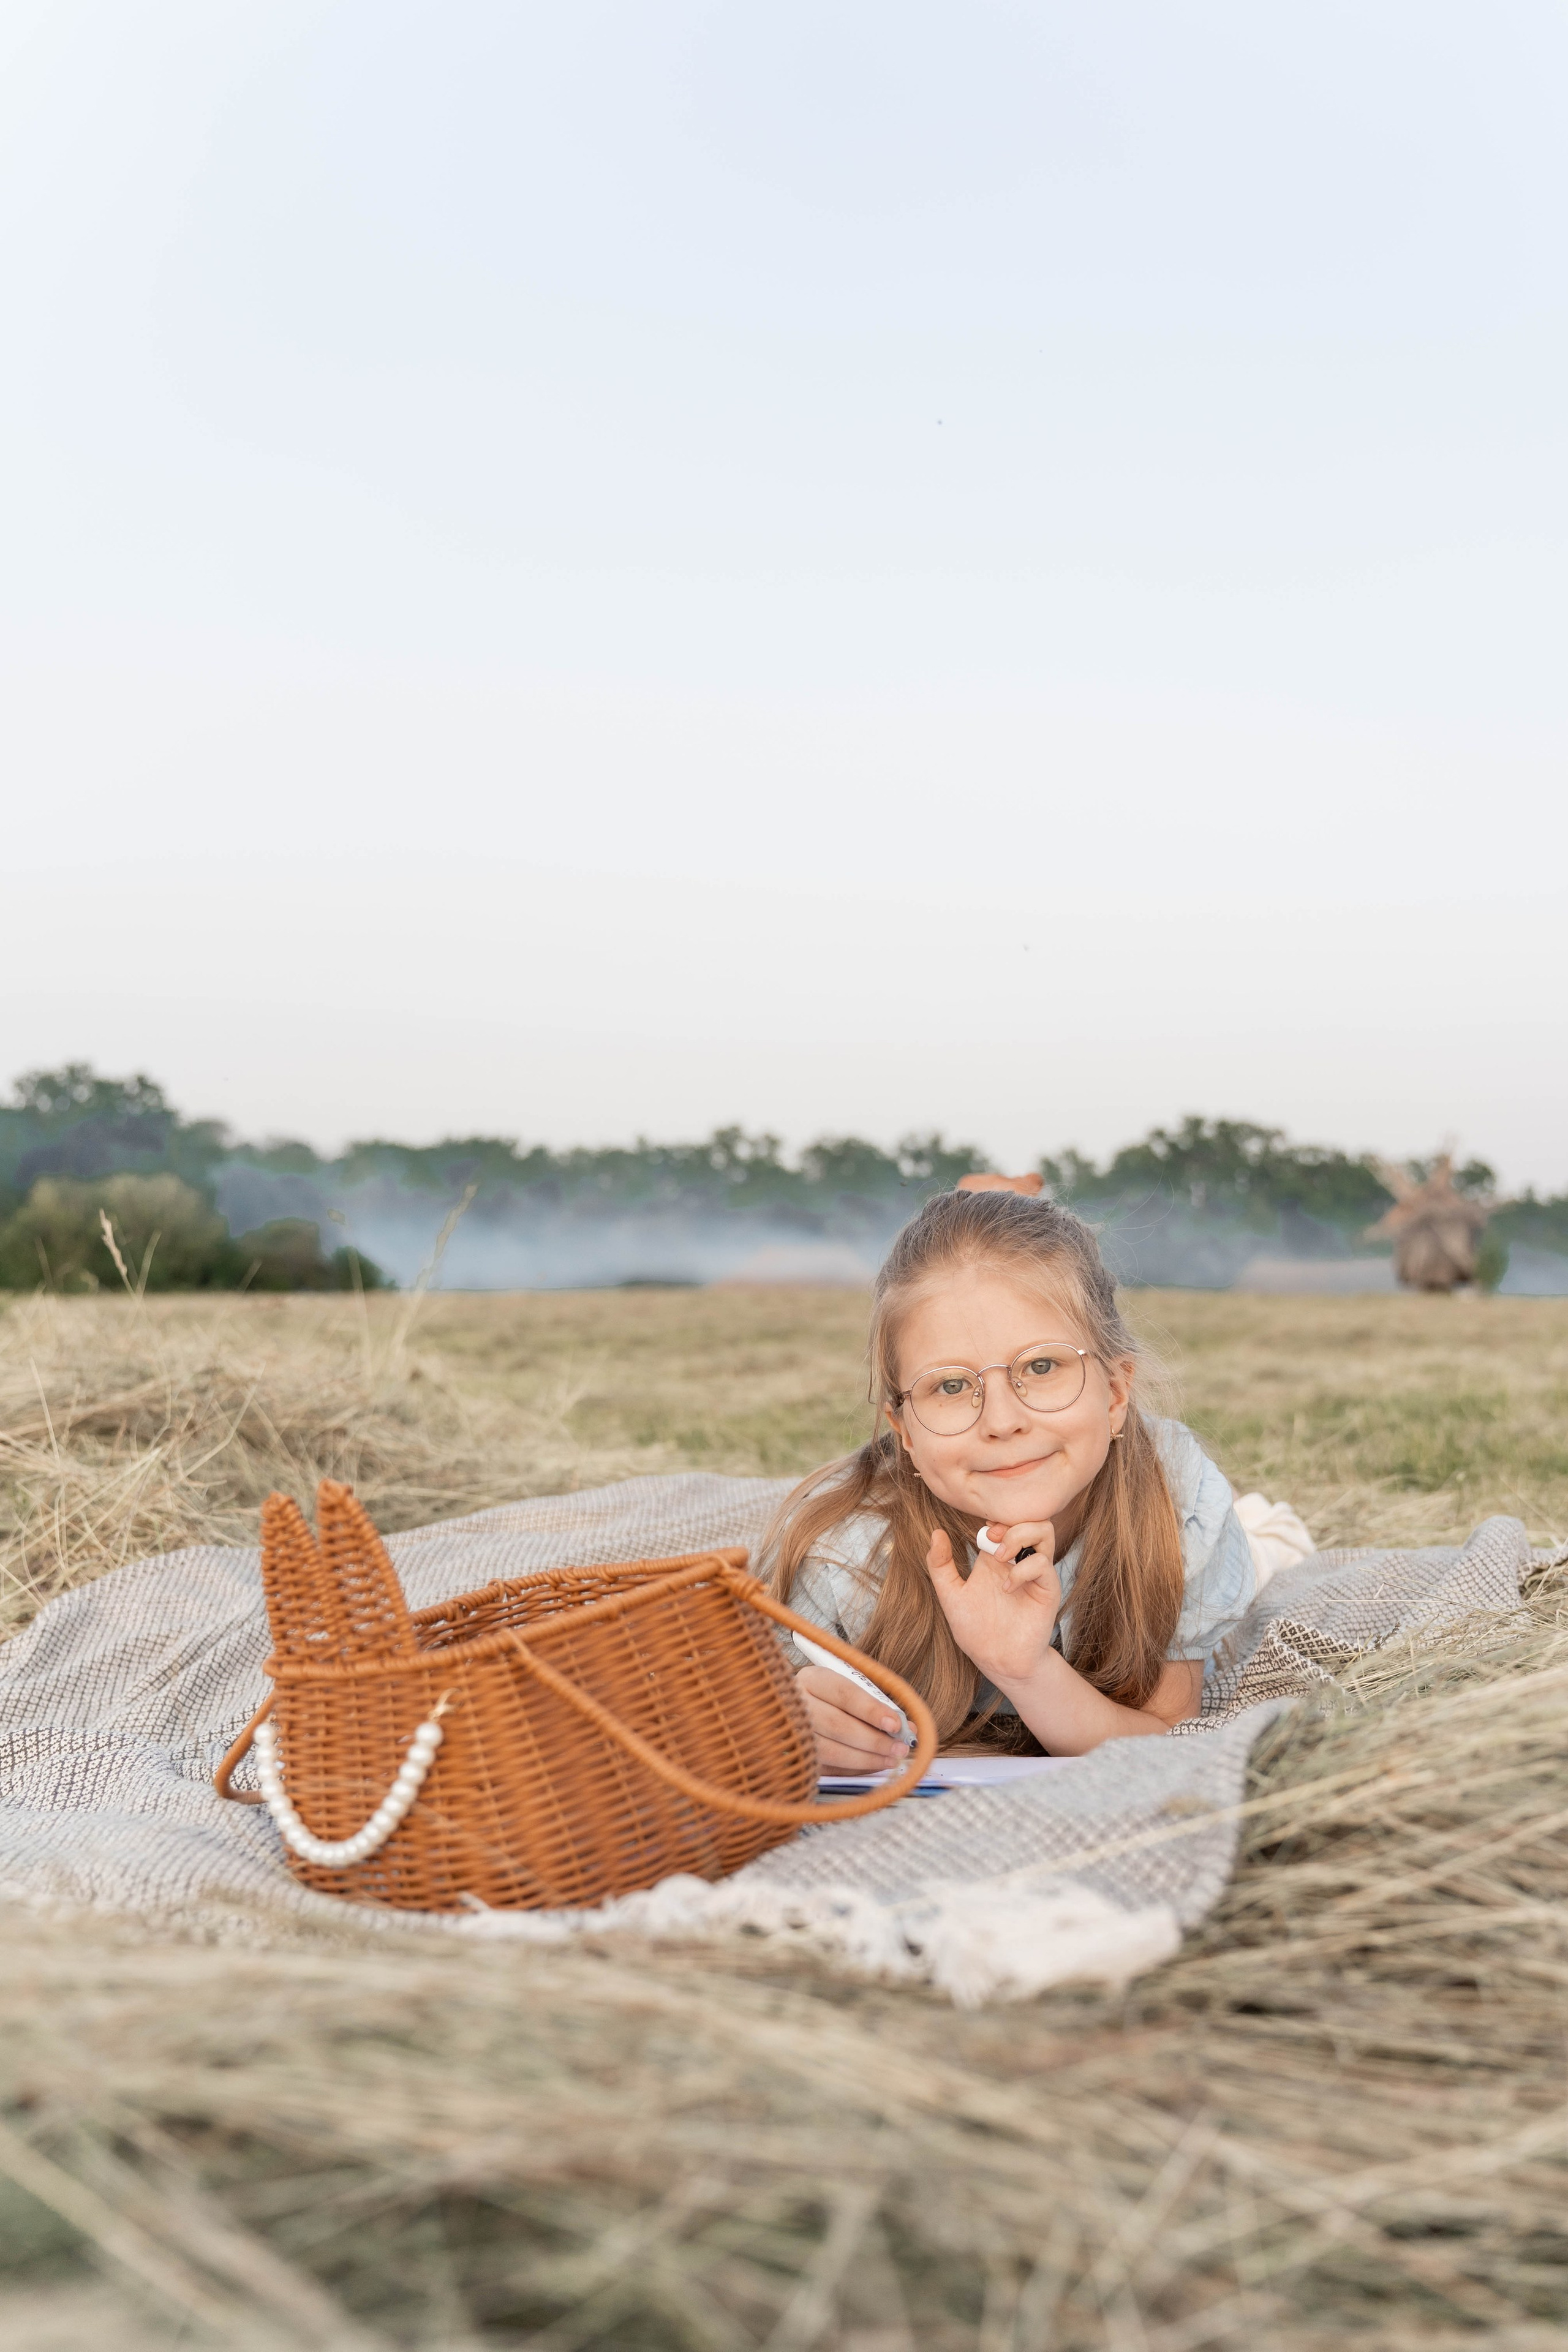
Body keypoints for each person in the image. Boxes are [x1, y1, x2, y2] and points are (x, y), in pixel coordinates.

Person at [764, 1186, 1255, 1771]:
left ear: (1117, 1393)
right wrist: (790, 1728)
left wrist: (1025, 1668)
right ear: (906, 1432)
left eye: (1042, 1366)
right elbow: (745, 1721)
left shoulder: (1173, 1503)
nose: (1002, 1422)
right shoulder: (844, 1557)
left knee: (1271, 1540)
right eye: (950, 1386)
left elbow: (1166, 1738)